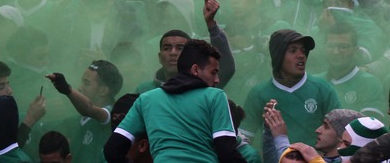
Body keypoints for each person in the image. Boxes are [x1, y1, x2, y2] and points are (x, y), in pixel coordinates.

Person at [104, 39, 243, 163]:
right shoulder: (215, 96)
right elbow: (227, 152)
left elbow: (112, 151)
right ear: (195, 70)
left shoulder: (146, 99)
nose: (217, 79)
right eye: (213, 72)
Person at [242, 30, 339, 161]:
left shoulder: (322, 88)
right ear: (278, 56)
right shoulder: (259, 94)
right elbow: (245, 139)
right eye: (293, 51)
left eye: (303, 50)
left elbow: (340, 133)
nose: (301, 55)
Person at [45, 62, 122, 163]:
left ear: (103, 90)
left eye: (86, 83)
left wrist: (67, 89)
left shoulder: (112, 115)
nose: (80, 88)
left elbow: (88, 109)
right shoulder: (74, 121)